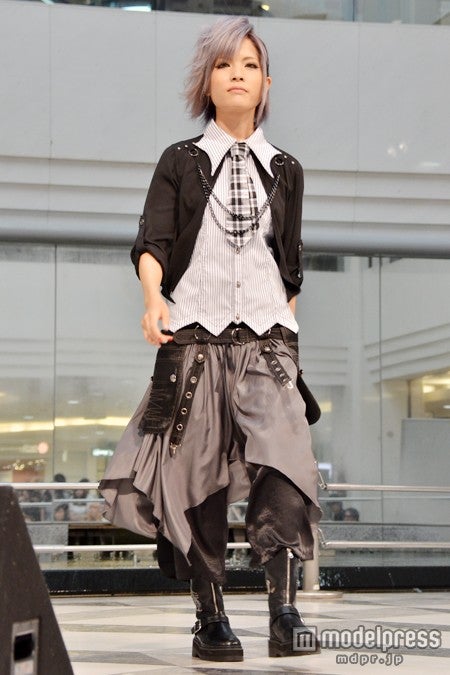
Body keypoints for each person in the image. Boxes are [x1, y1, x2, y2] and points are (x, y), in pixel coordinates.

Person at [100, 16, 321, 661]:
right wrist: (153, 302)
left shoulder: (286, 169)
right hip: (193, 340)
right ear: (208, 82)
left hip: (266, 345)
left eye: (249, 65)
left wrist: (289, 338)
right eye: (224, 65)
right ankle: (211, 617)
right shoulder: (181, 160)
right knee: (197, 478)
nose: (237, 75)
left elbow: (289, 264)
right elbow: (153, 242)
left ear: (266, 83)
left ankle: (284, 612)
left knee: (285, 464)